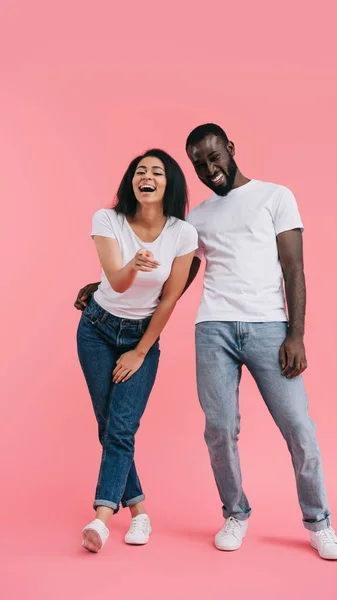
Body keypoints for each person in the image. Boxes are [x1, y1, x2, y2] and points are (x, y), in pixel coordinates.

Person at [75, 125, 337, 560]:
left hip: (269, 327)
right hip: (213, 329)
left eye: (213, 157)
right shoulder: (194, 219)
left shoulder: (276, 196)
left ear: (230, 149)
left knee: (298, 427)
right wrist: (102, 286)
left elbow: (294, 267)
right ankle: (235, 513)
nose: (209, 168)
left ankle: (320, 523)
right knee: (219, 431)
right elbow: (174, 271)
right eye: (199, 163)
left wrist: (296, 333)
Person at [76, 149, 197, 553]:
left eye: (156, 172)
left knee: (120, 427)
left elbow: (169, 299)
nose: (146, 176)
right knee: (109, 424)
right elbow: (116, 280)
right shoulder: (106, 220)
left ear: (169, 184)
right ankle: (139, 512)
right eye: (139, 171)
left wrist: (141, 352)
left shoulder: (183, 233)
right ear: (132, 182)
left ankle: (102, 518)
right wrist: (134, 263)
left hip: (141, 337)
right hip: (97, 329)